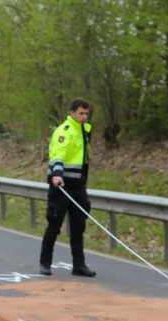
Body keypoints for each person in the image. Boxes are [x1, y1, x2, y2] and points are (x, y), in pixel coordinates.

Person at [40, 98, 96, 277]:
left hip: (78, 186)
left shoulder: (83, 131)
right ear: (72, 113)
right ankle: (45, 263)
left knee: (79, 226)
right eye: (81, 113)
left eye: (86, 113)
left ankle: (79, 265)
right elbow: (58, 153)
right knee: (54, 225)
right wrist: (57, 174)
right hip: (61, 185)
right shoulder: (65, 131)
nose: (84, 117)